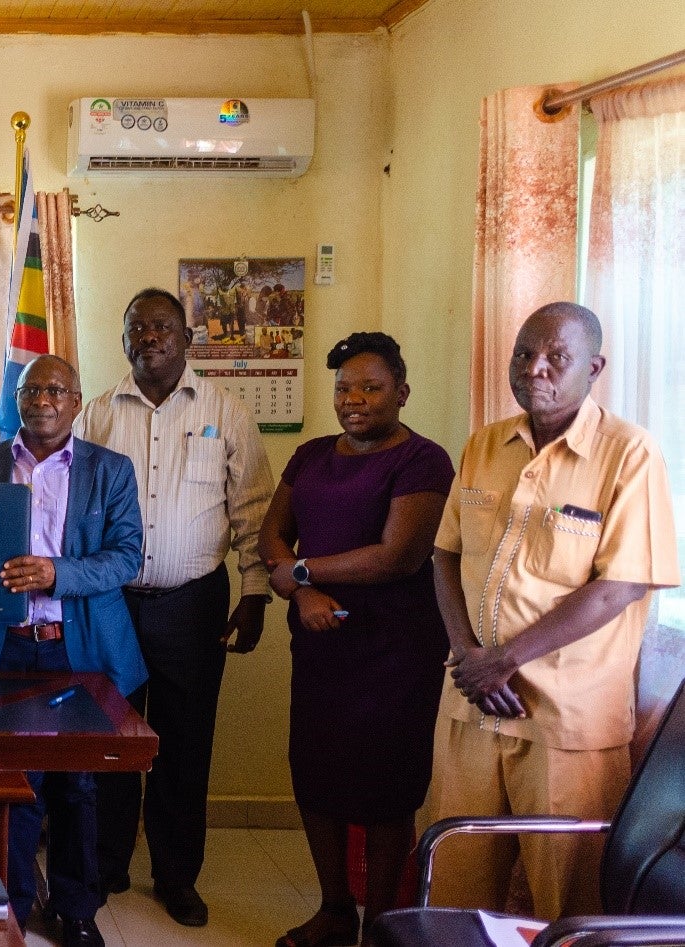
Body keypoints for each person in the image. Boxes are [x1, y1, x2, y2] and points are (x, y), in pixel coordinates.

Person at [430, 301, 679, 918]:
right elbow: (444, 557)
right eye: (523, 353)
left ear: (593, 367)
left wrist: (504, 660)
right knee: (456, 892)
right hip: (472, 706)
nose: (535, 368)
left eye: (556, 357)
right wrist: (468, 657)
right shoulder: (485, 445)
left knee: (567, 905)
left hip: (564, 721)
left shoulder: (630, 453)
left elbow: (621, 584)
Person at [0, 355, 145, 947]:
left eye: (56, 390)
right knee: (8, 782)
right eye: (30, 389)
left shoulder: (109, 470)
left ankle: (75, 909)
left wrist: (55, 573)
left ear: (76, 400)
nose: (42, 399)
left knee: (76, 786)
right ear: (16, 400)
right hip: (5, 651)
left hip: (79, 650)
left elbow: (126, 557)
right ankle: (12, 905)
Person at [74, 288, 274, 927]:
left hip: (193, 604)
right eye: (138, 327)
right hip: (109, 604)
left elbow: (250, 511)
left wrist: (256, 595)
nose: (150, 337)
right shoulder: (96, 416)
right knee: (110, 741)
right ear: (124, 339)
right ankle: (106, 866)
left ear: (187, 339)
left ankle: (176, 877)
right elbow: (69, 510)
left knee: (184, 745)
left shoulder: (229, 414)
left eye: (163, 327)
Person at [258, 333, 454, 947]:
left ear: (402, 391)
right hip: (320, 648)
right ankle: (335, 911)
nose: (355, 400)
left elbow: (399, 556)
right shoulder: (312, 456)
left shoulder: (423, 460)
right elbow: (272, 538)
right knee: (315, 778)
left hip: (395, 653)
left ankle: (380, 926)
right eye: (344, 387)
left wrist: (306, 571)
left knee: (385, 790)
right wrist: (303, 592)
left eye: (371, 387)